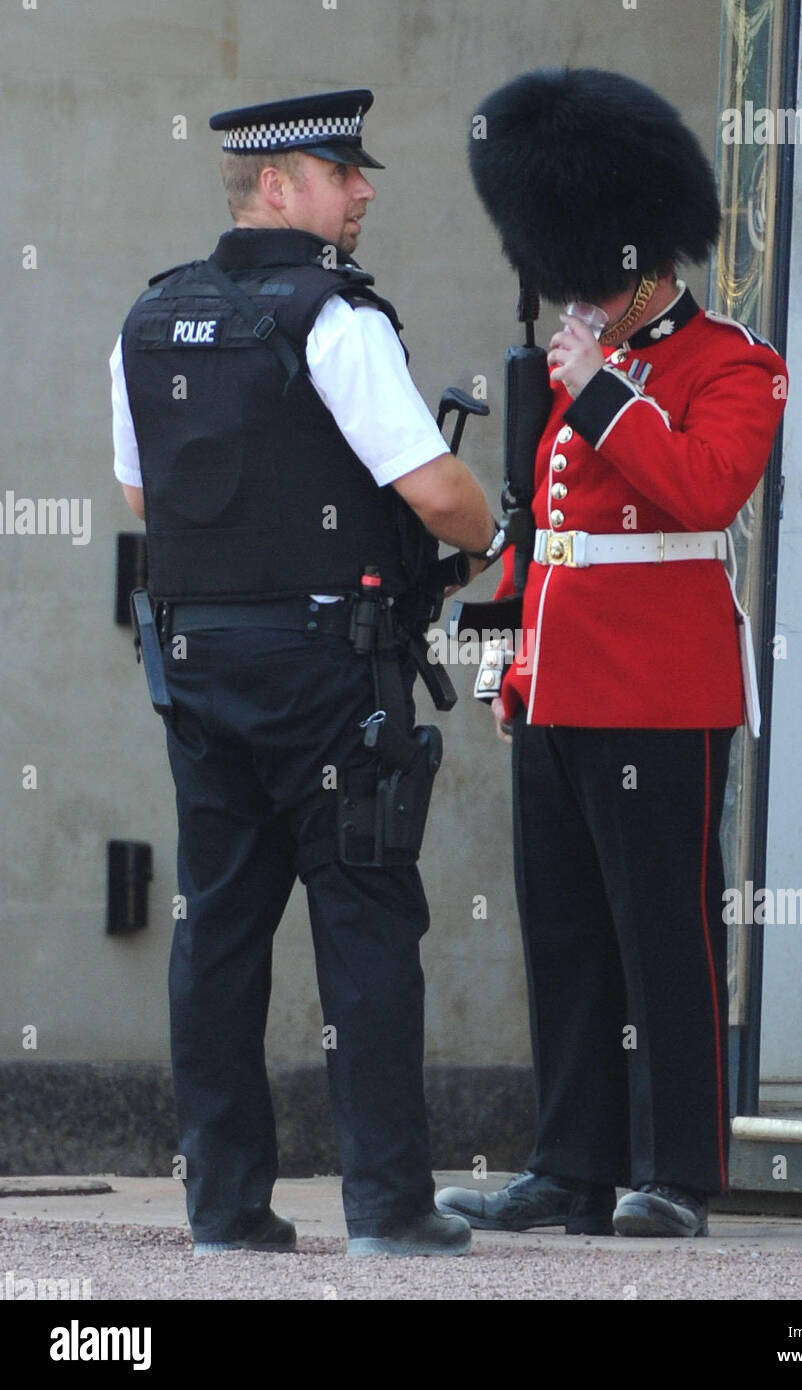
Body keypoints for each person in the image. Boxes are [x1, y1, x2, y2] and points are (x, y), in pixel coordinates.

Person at [110, 89, 500, 1257]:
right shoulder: (334, 318)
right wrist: (490, 529)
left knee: (217, 931)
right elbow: (433, 491)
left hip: (198, 667)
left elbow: (146, 499)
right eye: (343, 172)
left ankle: (223, 1210)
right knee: (367, 917)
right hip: (327, 670)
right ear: (278, 188)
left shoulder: (147, 318)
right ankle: (388, 1206)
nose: (365, 188)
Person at [436, 68, 789, 1238]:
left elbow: (702, 488)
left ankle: (675, 1171)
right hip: (558, 680)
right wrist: (508, 668)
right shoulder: (573, 355)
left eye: (600, 280)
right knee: (566, 934)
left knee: (662, 934)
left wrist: (597, 395)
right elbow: (536, 528)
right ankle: (570, 1166)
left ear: (647, 267)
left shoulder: (731, 364)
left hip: (659, 688)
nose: (584, 298)